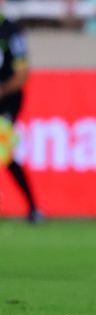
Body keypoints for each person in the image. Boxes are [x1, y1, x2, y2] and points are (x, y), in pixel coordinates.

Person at [0, 14, 41, 223]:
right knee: (6, 156)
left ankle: (33, 208)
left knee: (5, 153)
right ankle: (33, 208)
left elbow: (22, 73)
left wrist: (3, 90)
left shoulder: (10, 31)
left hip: (6, 103)